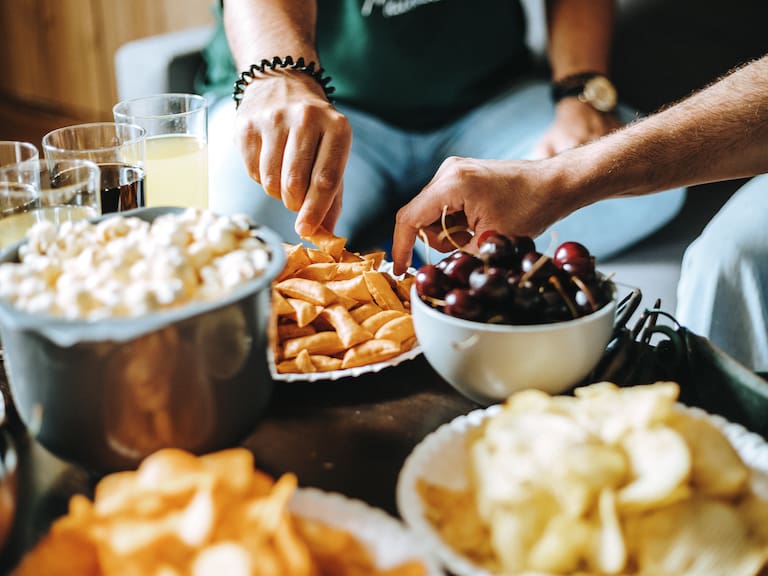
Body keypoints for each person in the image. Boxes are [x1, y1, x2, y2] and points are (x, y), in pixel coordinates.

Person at [200, 0, 685, 260]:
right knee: (242, 244)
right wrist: (281, 75)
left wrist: (579, 94)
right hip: (325, 102)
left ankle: (428, 265)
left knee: (642, 183)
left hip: (488, 99)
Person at [391, 54, 768, 371]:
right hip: (357, 113)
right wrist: (553, 181)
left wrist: (557, 174)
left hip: (500, 97)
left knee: (730, 258)